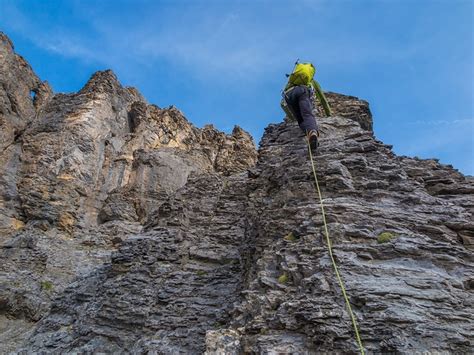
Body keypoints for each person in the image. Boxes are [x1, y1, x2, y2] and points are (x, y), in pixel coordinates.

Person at [281, 62, 332, 150]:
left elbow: (282, 104)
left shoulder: (290, 82)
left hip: (289, 96)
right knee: (307, 115)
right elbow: (322, 99)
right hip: (302, 92)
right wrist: (328, 113)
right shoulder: (312, 81)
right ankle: (312, 132)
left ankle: (309, 134)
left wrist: (292, 118)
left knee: (300, 120)